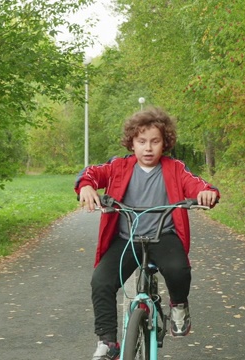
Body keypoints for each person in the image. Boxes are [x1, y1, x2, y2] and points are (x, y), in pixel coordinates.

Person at [75, 107, 220, 360]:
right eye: (142, 141)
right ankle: (108, 341)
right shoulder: (118, 167)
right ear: (132, 142)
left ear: (165, 143)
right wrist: (86, 186)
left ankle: (178, 305)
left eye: (155, 141)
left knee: (178, 270)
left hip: (163, 235)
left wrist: (206, 193)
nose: (148, 148)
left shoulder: (174, 168)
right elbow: (91, 173)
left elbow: (197, 184)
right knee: (101, 281)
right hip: (126, 239)